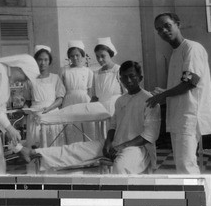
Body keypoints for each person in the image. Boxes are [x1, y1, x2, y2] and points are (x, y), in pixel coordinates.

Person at [17, 60, 161, 174]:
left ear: (140, 78)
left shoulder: (150, 100)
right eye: (124, 77)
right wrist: (108, 142)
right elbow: (113, 126)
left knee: (120, 166)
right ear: (120, 79)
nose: (128, 80)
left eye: (132, 76)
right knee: (77, 149)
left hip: (138, 148)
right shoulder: (120, 101)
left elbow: (149, 135)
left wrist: (122, 146)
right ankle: (33, 152)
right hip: (117, 143)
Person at [146, 13, 211, 174]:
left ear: (178, 24)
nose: (163, 31)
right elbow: (184, 83)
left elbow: (190, 82)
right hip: (180, 115)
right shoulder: (176, 52)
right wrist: (165, 92)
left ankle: (196, 198)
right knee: (182, 164)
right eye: (159, 29)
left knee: (186, 165)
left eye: (167, 25)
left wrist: (163, 95)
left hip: (189, 115)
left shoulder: (191, 48)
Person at [24, 45, 66, 148]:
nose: (42, 63)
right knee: (36, 144)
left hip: (52, 113)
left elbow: (60, 99)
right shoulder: (30, 80)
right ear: (35, 61)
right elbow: (27, 101)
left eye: (46, 60)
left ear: (49, 61)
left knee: (53, 143)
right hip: (36, 116)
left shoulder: (55, 78)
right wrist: (26, 109)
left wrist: (49, 108)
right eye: (40, 60)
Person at [61, 40, 95, 143]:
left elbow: (89, 90)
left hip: (83, 100)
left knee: (86, 126)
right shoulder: (65, 71)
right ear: (69, 57)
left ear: (82, 55)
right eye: (72, 56)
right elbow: (62, 90)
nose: (75, 58)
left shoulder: (88, 71)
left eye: (77, 55)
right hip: (69, 100)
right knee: (70, 126)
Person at [92, 37, 123, 118]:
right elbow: (94, 97)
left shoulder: (118, 70)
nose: (100, 59)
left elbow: (126, 94)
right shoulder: (96, 74)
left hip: (116, 109)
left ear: (110, 54)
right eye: (97, 56)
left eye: (103, 56)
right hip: (100, 111)